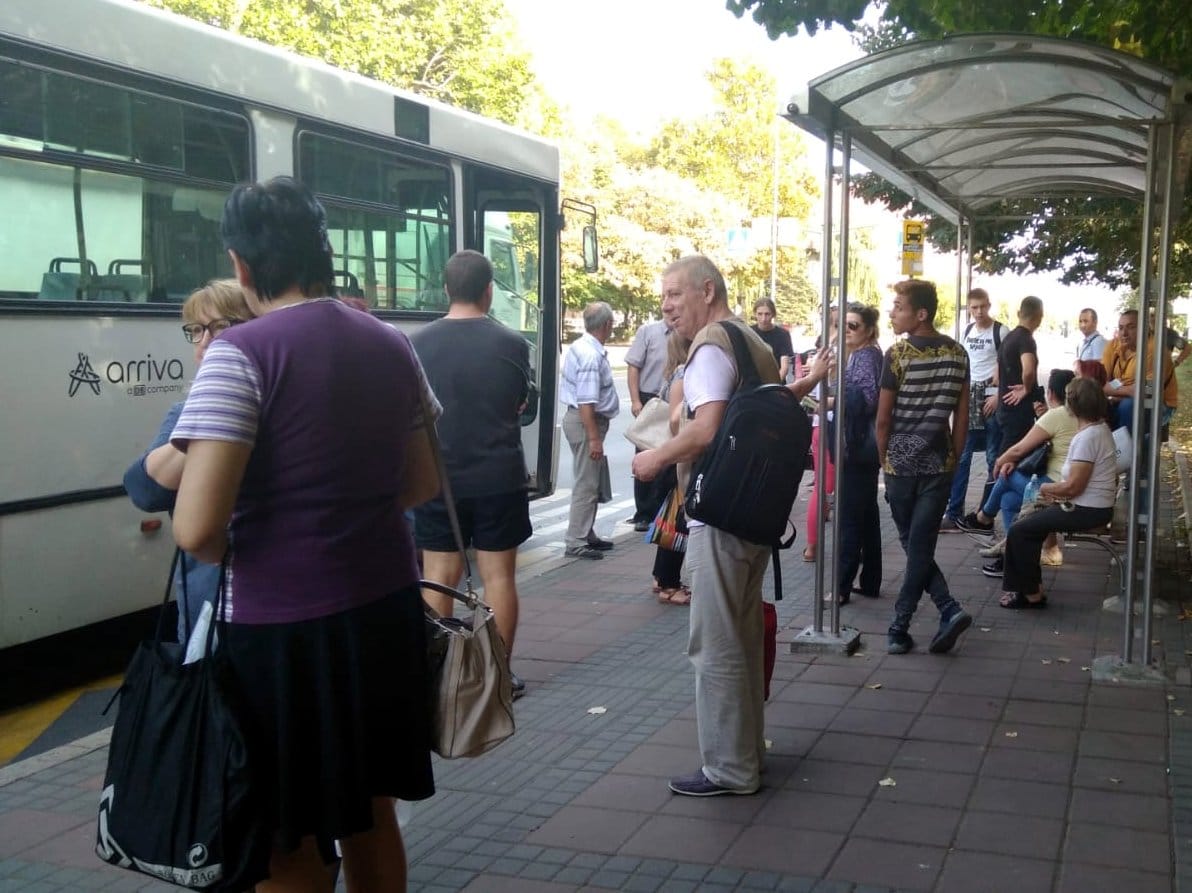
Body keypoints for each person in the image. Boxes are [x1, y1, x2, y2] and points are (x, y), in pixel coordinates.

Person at [171, 176, 439, 891]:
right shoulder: (392, 344)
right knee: (369, 811)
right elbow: (420, 482)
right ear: (322, 253)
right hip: (383, 612)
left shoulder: (241, 353)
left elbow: (196, 527)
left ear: (242, 266)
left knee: (286, 835)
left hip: (281, 633)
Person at [631, 254, 780, 797]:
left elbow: (706, 431)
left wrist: (654, 459)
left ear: (707, 290)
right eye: (664, 297)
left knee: (715, 643)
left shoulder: (713, 345)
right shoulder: (753, 341)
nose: (666, 307)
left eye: (675, 294)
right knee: (739, 636)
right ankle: (746, 754)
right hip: (755, 509)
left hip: (721, 510)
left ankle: (728, 768)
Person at [412, 249, 533, 700]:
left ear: (446, 289)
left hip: (436, 477)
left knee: (439, 574)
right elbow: (519, 404)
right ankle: (497, 674)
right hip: (498, 475)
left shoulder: (416, 343)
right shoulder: (512, 343)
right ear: (489, 291)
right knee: (499, 576)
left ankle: (436, 671)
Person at [123, 280, 253, 643]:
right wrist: (213, 412)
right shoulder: (185, 412)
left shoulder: (281, 407)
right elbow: (144, 491)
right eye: (197, 330)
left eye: (223, 326)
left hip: (262, 605)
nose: (206, 341)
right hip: (204, 608)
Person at [877, 279, 972, 656]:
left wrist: (884, 460)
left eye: (898, 306)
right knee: (920, 543)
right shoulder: (958, 353)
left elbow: (883, 419)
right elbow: (962, 417)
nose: (892, 312)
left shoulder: (897, 354)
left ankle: (900, 625)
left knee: (912, 543)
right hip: (940, 464)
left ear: (921, 314)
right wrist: (954, 456)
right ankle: (947, 609)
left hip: (900, 465)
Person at [997, 377, 1118, 608]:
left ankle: (1030, 593)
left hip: (1086, 510)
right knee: (1026, 522)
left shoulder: (1087, 437)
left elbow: (1074, 486)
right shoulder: (1099, 429)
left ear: (1072, 406)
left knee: (1020, 530)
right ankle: (1031, 586)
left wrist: (1044, 488)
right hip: (1089, 506)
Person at [956, 369, 1078, 570]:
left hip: (1054, 488)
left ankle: (984, 518)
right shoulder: (1072, 414)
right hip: (1063, 485)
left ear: (1051, 393)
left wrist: (1000, 461)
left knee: (1007, 472)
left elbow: (1021, 448)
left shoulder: (1057, 415)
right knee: (1008, 499)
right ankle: (1011, 555)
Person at [943, 288, 1009, 529]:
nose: (979, 312)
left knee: (993, 459)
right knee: (961, 457)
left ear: (989, 305)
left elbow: (1010, 366)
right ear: (969, 308)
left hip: (991, 399)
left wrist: (999, 397)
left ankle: (985, 514)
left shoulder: (1001, 331)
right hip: (969, 398)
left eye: (982, 306)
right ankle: (954, 512)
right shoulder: (968, 330)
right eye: (974, 307)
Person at [832, 303, 883, 605]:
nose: (845, 331)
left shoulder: (864, 358)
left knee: (850, 517)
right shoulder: (864, 356)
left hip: (858, 448)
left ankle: (841, 586)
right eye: (843, 325)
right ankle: (870, 579)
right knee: (865, 516)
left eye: (852, 326)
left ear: (868, 331)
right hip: (864, 448)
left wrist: (833, 395)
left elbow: (865, 401)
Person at [560, 301, 620, 559]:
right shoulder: (590, 355)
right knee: (587, 483)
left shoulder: (582, 347)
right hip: (586, 423)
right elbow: (586, 401)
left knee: (591, 479)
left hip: (584, 422)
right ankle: (576, 540)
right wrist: (594, 438)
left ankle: (586, 533)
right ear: (606, 325)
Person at [650, 329, 694, 606]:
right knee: (677, 524)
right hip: (676, 455)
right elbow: (677, 421)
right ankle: (669, 584)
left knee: (670, 521)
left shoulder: (674, 373)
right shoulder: (682, 375)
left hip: (671, 454)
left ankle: (661, 577)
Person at [626, 316, 671, 531]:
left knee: (670, 458)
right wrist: (635, 400)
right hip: (649, 400)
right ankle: (644, 513)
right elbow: (633, 366)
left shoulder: (689, 331)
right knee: (645, 454)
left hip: (674, 400)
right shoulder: (649, 332)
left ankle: (664, 512)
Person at [801, 305, 838, 562]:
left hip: (819, 425)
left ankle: (812, 547)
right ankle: (814, 547)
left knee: (822, 489)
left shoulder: (818, 352)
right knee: (830, 489)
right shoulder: (838, 353)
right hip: (834, 427)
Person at [1102, 309, 1177, 433]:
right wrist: (1128, 390)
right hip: (1122, 398)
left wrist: (1114, 390)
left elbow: (1146, 391)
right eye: (1120, 328)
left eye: (1131, 327)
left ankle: (1128, 449)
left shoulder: (1155, 350)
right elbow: (1100, 383)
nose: (1124, 333)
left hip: (1160, 403)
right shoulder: (1113, 345)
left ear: (1145, 328)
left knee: (1129, 406)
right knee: (1092, 405)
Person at [995, 296, 1044, 459]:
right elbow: (1029, 369)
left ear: (1019, 313)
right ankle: (994, 485)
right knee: (1010, 458)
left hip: (1005, 406)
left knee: (1008, 453)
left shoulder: (1009, 338)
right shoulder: (1026, 339)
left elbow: (996, 375)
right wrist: (1026, 388)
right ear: (1039, 317)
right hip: (1018, 410)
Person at [751, 297, 794, 381]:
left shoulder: (783, 334)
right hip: (752, 383)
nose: (763, 319)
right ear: (755, 314)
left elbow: (784, 367)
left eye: (767, 314)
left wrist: (773, 386)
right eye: (760, 314)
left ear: (773, 314)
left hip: (776, 381)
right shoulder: (748, 332)